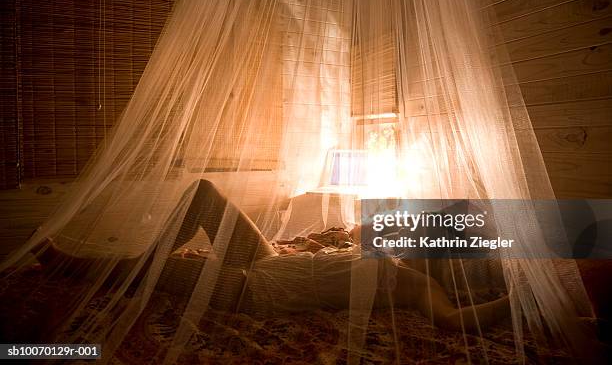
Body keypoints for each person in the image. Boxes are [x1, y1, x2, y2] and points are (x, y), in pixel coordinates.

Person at [35, 179, 510, 333]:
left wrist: (521, 303)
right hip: (267, 261)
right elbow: (363, 230)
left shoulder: (418, 286)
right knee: (204, 192)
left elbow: (454, 322)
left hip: (254, 293)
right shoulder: (388, 251)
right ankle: (142, 250)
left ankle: (68, 264)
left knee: (154, 275)